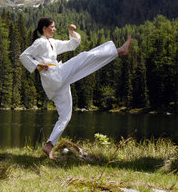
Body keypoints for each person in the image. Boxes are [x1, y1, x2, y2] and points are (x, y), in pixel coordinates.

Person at [19, 17, 132, 159]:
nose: (54, 29)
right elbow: (24, 56)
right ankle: (119, 50)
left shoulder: (51, 42)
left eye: (54, 27)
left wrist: (72, 33)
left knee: (65, 115)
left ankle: (49, 146)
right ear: (44, 28)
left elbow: (72, 45)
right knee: (84, 57)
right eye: (52, 27)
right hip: (55, 75)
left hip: (56, 82)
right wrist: (38, 65)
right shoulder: (40, 42)